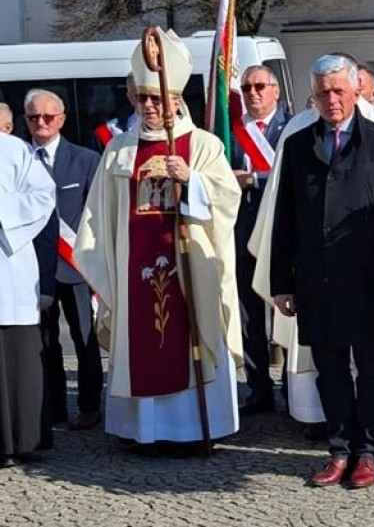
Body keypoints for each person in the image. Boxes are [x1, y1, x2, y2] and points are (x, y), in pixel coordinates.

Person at [74, 28, 243, 449]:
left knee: (187, 337)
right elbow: (98, 212)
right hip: (134, 264)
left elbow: (227, 199)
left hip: (189, 266)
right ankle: (142, 430)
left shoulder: (201, 145)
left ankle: (191, 430)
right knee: (143, 342)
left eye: (157, 99)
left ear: (176, 100)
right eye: (141, 99)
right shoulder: (119, 150)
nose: (149, 107)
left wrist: (193, 181)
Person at [270, 54, 374, 488]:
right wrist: (282, 282)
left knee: (371, 371)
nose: (331, 100)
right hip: (318, 282)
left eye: (338, 91)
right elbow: (285, 219)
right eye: (322, 92)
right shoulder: (298, 146)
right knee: (330, 371)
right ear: (312, 96)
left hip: (371, 284)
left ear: (356, 91)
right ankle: (338, 449)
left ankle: (368, 451)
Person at [24, 89, 104, 431]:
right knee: (44, 343)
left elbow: (97, 213)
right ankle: (53, 406)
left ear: (62, 118)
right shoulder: (19, 158)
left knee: (85, 339)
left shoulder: (85, 159)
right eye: (33, 118)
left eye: (47, 117)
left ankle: (89, 405)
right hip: (33, 268)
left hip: (75, 266)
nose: (40, 123)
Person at [232, 65, 290, 417]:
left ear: (275, 91)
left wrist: (254, 179)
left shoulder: (293, 127)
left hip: (283, 235)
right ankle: (258, 388)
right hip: (244, 234)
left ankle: (292, 386)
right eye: (246, 87)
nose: (253, 93)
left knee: (287, 316)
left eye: (259, 86)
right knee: (250, 318)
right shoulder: (232, 132)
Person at [0, 131, 56, 466]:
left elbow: (43, 194)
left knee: (19, 359)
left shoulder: (12, 148)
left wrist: (3, 212)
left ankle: (24, 439)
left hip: (10, 261)